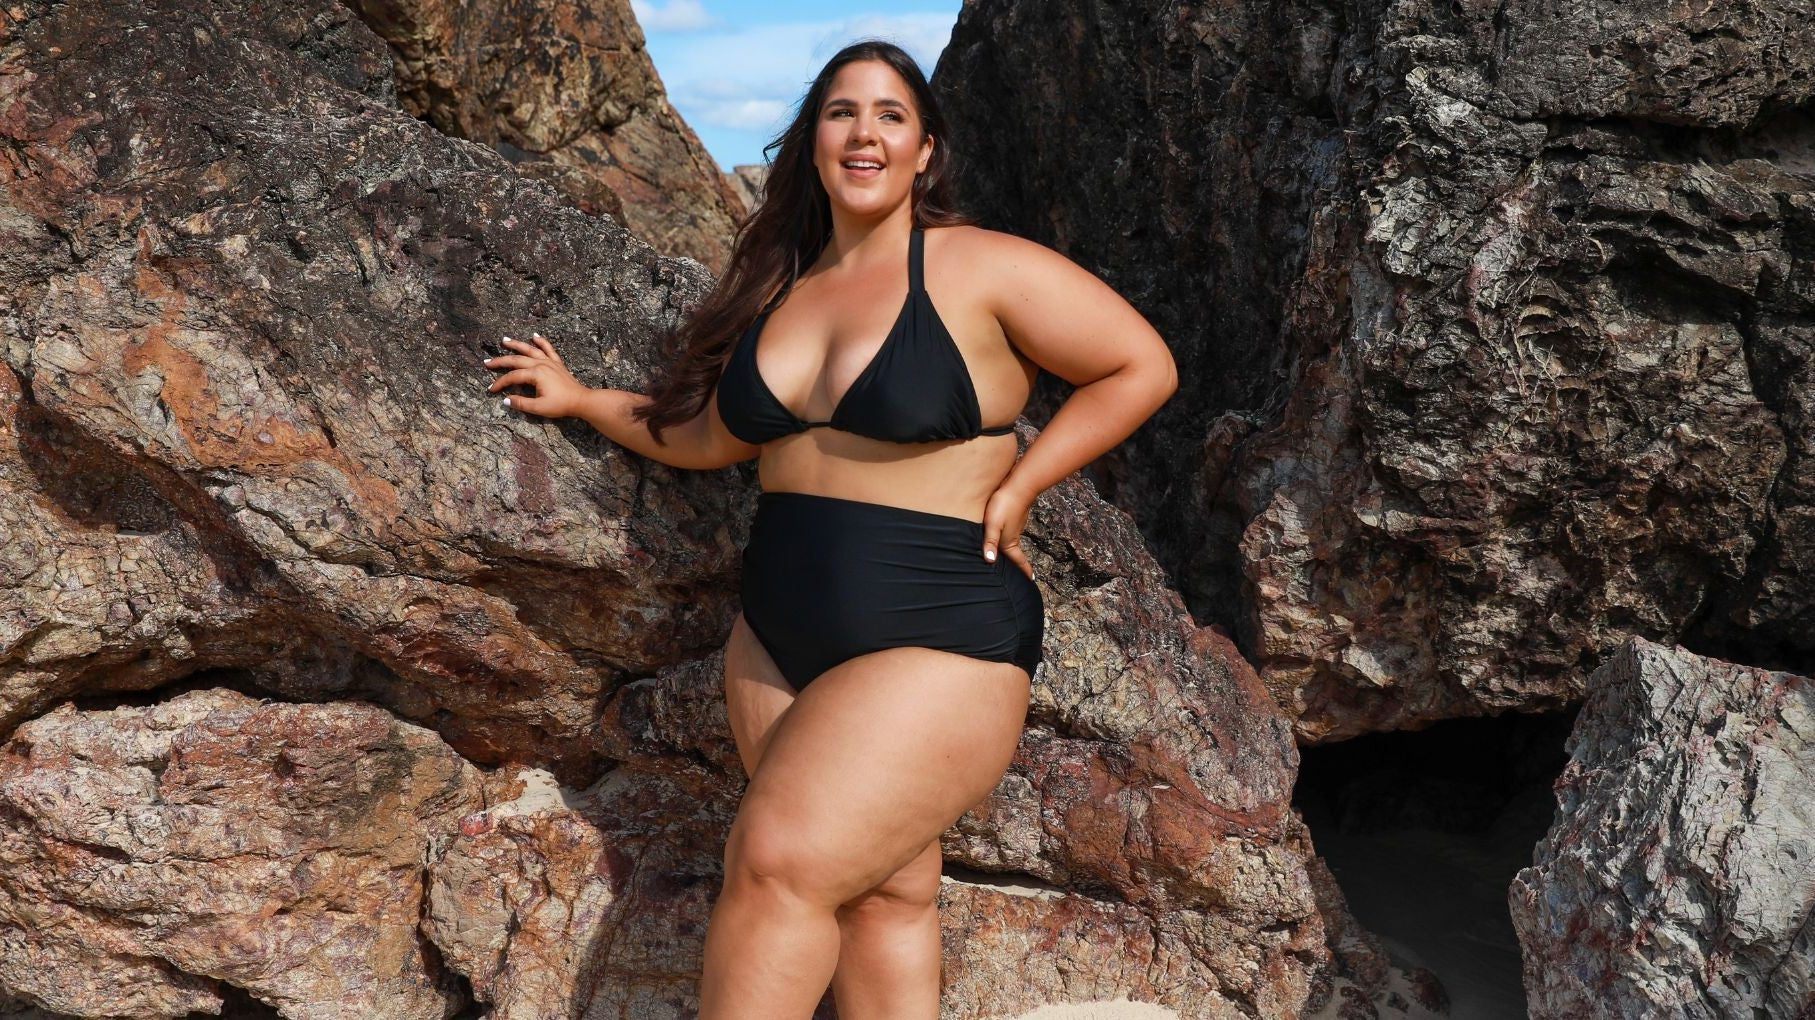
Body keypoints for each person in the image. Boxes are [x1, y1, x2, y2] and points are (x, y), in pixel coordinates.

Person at [480, 38, 1176, 1020]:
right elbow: (713, 436)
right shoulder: (782, 287)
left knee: (776, 866)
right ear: (814, 141)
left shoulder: (978, 266)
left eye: (891, 115)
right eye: (842, 111)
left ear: (926, 152)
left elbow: (1139, 365)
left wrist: (1025, 485)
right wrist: (585, 398)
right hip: (777, 637)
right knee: (884, 893)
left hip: (938, 626)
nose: (864, 132)